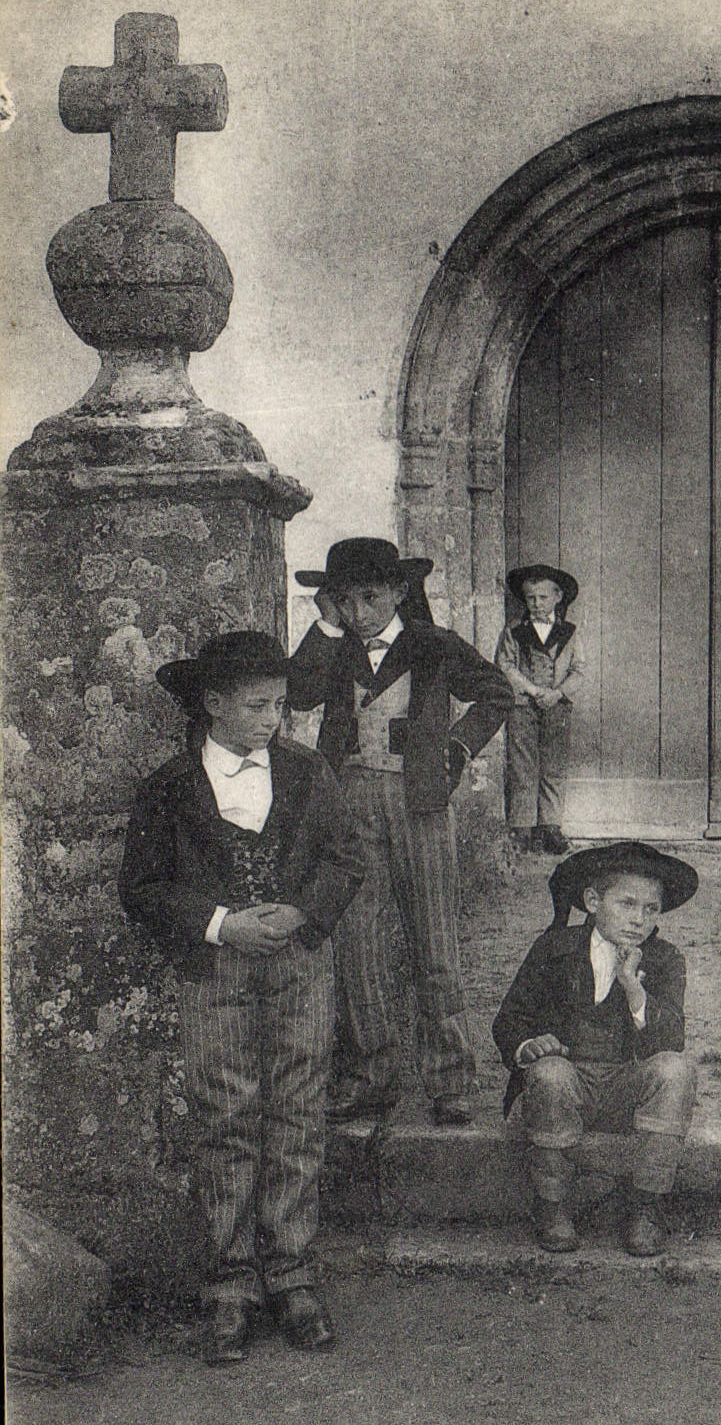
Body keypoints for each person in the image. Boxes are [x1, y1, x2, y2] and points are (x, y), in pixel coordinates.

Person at [119, 632, 364, 1365]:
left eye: (282, 705)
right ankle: (230, 1285)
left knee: (297, 1109)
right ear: (213, 703)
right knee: (225, 1116)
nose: (272, 719)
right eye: (258, 705)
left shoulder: (307, 771)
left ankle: (292, 1275)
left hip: (299, 967)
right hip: (215, 974)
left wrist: (300, 912)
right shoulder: (167, 787)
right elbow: (142, 888)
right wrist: (221, 923)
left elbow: (345, 856)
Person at [288, 536, 514, 1126]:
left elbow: (495, 693)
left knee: (433, 938)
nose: (360, 612)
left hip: (420, 803)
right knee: (358, 941)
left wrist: (458, 748)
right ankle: (373, 1074)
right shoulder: (334, 649)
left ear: (398, 591)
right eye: (344, 600)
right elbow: (300, 692)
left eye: (371, 597)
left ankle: (449, 1078)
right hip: (349, 804)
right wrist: (326, 628)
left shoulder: (432, 645)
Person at [493, 842, 698, 1256]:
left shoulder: (664, 960)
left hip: (626, 1085)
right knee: (549, 1074)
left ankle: (646, 1205)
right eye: (627, 904)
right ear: (592, 900)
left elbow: (671, 1040)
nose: (639, 919)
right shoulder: (555, 948)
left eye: (650, 909)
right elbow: (509, 1020)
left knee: (678, 1070)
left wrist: (634, 988)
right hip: (568, 1085)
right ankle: (552, 1204)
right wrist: (530, 1046)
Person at [495, 563, 583, 854]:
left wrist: (557, 693)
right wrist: (531, 690)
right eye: (531, 598)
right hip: (523, 706)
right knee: (523, 765)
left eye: (543, 598)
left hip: (557, 706)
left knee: (554, 765)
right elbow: (505, 665)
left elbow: (579, 670)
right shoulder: (514, 630)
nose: (537, 603)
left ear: (558, 598)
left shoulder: (569, 632)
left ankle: (550, 826)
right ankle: (522, 827)